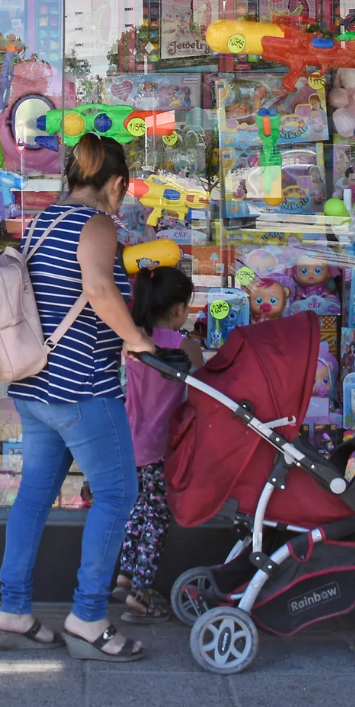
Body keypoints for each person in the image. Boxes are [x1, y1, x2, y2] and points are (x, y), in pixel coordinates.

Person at [0, 134, 158, 662]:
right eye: (122, 190)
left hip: (35, 386)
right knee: (117, 494)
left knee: (34, 497)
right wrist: (138, 341)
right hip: (82, 387)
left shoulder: (44, 221)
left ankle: (13, 613)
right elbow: (101, 290)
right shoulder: (97, 224)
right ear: (116, 183)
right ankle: (88, 617)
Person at [111, 265, 204, 624]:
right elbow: (205, 382)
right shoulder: (185, 346)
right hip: (162, 444)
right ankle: (142, 592)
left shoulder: (133, 341)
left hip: (130, 438)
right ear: (179, 310)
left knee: (139, 508)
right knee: (159, 516)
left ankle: (125, 574)